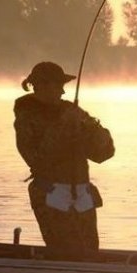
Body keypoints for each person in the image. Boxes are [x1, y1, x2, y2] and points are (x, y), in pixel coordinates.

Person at [14, 61, 115, 260]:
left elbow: (103, 154)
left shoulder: (71, 111)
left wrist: (92, 129)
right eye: (58, 85)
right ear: (41, 86)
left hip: (82, 197)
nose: (62, 91)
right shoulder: (26, 117)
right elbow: (37, 160)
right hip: (51, 197)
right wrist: (63, 126)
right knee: (68, 254)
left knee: (90, 254)